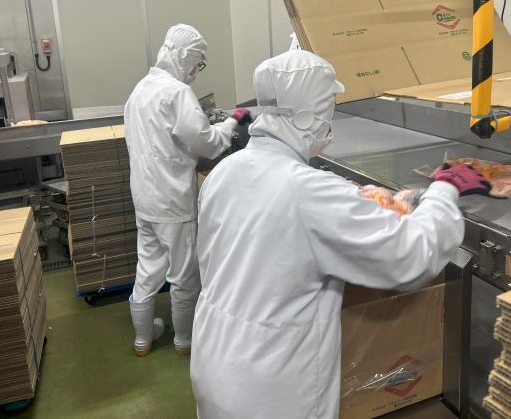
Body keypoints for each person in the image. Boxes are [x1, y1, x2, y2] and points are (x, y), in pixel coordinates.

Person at [190, 50, 489, 417]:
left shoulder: (226, 171)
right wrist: (445, 190)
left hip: (214, 365)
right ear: (306, 116)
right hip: (271, 391)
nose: (329, 123)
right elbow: (409, 256)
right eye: (327, 110)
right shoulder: (307, 191)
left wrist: (357, 199)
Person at [124, 24, 251, 357]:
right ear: (182, 56)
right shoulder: (177, 92)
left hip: (144, 197)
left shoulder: (139, 90)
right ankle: (184, 341)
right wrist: (233, 120)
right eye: (197, 62)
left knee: (147, 268)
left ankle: (143, 339)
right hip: (173, 199)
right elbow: (205, 143)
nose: (196, 71)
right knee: (183, 274)